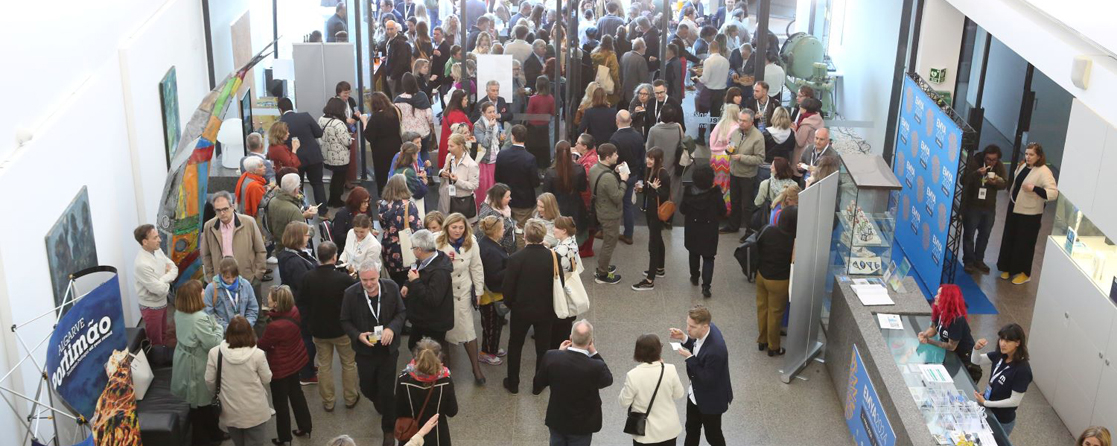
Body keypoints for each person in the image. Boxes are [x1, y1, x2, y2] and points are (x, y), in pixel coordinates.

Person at [341, 260, 407, 446]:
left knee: (387, 390)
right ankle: (383, 403)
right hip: (365, 351)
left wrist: (392, 329)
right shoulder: (350, 294)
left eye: (372, 279)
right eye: (364, 280)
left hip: (388, 351)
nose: (369, 284)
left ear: (379, 275)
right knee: (366, 387)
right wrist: (357, 335)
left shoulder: (392, 287)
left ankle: (388, 429)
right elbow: (345, 320)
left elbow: (401, 312)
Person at [532, 320, 613, 446]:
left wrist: (558, 353)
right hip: (582, 425)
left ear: (570, 338)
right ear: (591, 341)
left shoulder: (552, 356)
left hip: (557, 419)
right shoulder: (596, 366)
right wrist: (595, 353)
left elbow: (539, 381)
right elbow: (608, 380)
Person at [502, 219, 560, 394]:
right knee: (543, 348)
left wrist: (512, 304)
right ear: (543, 235)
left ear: (525, 235)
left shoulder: (515, 259)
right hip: (546, 310)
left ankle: (513, 383)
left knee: (515, 345)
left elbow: (508, 289)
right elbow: (560, 283)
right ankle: (539, 384)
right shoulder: (553, 256)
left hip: (521, 310)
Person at [301, 241, 360, 412]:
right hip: (341, 330)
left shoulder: (308, 277)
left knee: (324, 365)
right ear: (335, 257)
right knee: (348, 363)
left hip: (319, 331)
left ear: (319, 257)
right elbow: (354, 300)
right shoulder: (343, 279)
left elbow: (302, 302)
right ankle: (350, 398)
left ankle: (328, 401)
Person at [171, 280, 225, 446]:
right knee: (203, 402)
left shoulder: (179, 312)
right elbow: (214, 342)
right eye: (201, 290)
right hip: (197, 365)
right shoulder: (199, 319)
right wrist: (218, 326)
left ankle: (212, 434)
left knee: (196, 403)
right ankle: (206, 438)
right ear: (194, 297)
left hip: (183, 360)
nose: (204, 291)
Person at [668, 305, 732, 446]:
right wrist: (684, 338)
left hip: (711, 401)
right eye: (687, 324)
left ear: (704, 327)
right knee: (691, 429)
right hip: (695, 394)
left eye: (692, 327)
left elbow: (707, 379)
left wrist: (690, 358)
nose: (687, 329)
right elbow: (698, 346)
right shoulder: (705, 330)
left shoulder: (716, 350)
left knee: (713, 435)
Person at [435, 213, 487, 383]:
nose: (457, 231)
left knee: (468, 329)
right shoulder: (437, 241)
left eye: (461, 227)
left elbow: (477, 266)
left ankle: (476, 369)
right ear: (447, 227)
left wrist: (479, 291)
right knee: (445, 329)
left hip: (463, 289)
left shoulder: (471, 241)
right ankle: (446, 370)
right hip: (444, 290)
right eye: (454, 227)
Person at [256, 286, 312, 445]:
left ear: (276, 304)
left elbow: (262, 344)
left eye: (270, 299)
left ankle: (284, 437)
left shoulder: (275, 326)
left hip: (280, 367)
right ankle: (305, 426)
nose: (268, 300)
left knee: (281, 404)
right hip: (295, 361)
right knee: (297, 395)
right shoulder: (294, 311)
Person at [205, 316, 272, 446]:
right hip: (255, 411)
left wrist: (217, 394)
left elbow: (209, 380)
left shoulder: (215, 353)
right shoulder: (258, 354)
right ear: (249, 332)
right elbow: (267, 378)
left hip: (229, 410)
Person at [997, 143, 1058, 285]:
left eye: (1031, 155)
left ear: (1039, 156)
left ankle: (1024, 272)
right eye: (1026, 154)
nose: (1028, 157)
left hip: (1030, 214)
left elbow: (1053, 193)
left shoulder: (1044, 172)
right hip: (1015, 207)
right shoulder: (1024, 165)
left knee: (1024, 243)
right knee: (1009, 238)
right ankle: (1007, 267)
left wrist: (1034, 188)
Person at [619, 334, 685, 445]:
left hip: (645, 433)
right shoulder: (670, 369)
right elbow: (679, 394)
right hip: (668, 430)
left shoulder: (633, 375)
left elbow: (624, 402)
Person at [275, 220, 320, 384]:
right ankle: (306, 374)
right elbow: (304, 285)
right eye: (306, 234)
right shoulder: (295, 262)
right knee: (307, 340)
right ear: (297, 237)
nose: (308, 237)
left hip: (300, 304)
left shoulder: (289, 254)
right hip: (304, 307)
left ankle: (307, 367)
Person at [201, 191, 267, 298]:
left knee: (252, 312)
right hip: (221, 282)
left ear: (232, 207)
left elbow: (260, 250)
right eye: (218, 210)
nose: (222, 213)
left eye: (225, 209)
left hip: (247, 279)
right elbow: (206, 254)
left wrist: (257, 275)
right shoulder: (209, 226)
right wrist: (211, 277)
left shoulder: (248, 222)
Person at [971, 323, 1032, 437]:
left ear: (1018, 343)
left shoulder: (1023, 370)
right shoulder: (1000, 355)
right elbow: (977, 360)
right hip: (988, 411)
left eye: (1008, 341)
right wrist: (976, 348)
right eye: (1001, 339)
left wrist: (986, 402)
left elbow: (1014, 401)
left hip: (1002, 420)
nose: (1002, 344)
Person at [396, 338, 459, 446]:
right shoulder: (445, 380)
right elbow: (452, 411)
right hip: (438, 436)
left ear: (416, 356)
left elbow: (399, 410)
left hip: (411, 435)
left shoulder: (404, 380)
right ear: (439, 357)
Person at [754, 206, 796, 356]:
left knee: (762, 308)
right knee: (775, 313)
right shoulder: (794, 240)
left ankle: (762, 340)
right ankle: (773, 346)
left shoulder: (768, 230)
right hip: (779, 281)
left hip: (761, 276)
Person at [404, 229, 455, 354]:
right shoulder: (426, 260)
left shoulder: (440, 272)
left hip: (433, 324)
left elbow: (433, 300)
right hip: (422, 319)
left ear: (419, 250)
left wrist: (415, 282)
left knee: (431, 357)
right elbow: (416, 272)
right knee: (413, 345)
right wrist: (407, 284)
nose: (413, 251)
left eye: (412, 248)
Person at [961, 145, 1008, 274]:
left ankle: (979, 259)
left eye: (994, 160)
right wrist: (977, 174)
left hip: (989, 208)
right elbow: (963, 180)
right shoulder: (974, 162)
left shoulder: (999, 166)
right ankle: (968, 261)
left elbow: (1005, 184)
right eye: (988, 159)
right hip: (972, 207)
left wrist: (995, 182)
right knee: (969, 235)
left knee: (984, 235)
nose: (991, 162)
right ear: (984, 156)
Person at [682, 166, 727, 298]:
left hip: (692, 228)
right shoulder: (715, 193)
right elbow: (723, 211)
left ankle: (694, 277)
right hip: (709, 229)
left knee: (693, 252)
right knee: (709, 257)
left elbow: (682, 210)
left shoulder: (689, 191)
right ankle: (706, 286)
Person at [278, 97, 327, 216]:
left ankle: (300, 212)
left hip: (295, 160)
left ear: (280, 110)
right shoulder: (305, 116)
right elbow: (319, 133)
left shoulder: (280, 123)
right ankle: (323, 213)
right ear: (292, 106)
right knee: (318, 184)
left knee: (297, 187)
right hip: (313, 157)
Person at [917, 284, 978, 379]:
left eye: (940, 295)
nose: (935, 297)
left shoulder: (957, 320)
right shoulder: (939, 309)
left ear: (948, 299)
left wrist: (928, 341)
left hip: (964, 359)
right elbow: (934, 328)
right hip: (949, 355)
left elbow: (951, 346)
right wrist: (925, 335)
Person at [720, 108, 765, 237]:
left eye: (744, 121)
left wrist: (742, 157)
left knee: (746, 205)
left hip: (747, 176)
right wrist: (728, 150)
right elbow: (731, 146)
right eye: (739, 120)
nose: (740, 123)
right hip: (734, 172)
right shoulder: (736, 132)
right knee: (734, 201)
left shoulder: (758, 137)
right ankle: (733, 226)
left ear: (751, 122)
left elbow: (760, 158)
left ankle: (749, 231)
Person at [632, 148, 672, 291]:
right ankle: (660, 268)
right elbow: (650, 191)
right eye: (647, 157)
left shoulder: (662, 174)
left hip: (656, 213)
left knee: (653, 243)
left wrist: (655, 189)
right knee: (657, 238)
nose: (648, 160)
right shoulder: (650, 170)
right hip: (650, 211)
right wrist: (642, 189)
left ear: (658, 160)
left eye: (652, 158)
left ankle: (650, 279)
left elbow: (664, 195)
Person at [589, 143, 629, 284]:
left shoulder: (595, 168)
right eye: (615, 154)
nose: (617, 156)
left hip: (600, 209)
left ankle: (603, 265)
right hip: (610, 214)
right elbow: (617, 196)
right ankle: (602, 273)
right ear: (607, 157)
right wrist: (623, 181)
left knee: (607, 240)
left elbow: (604, 184)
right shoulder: (608, 178)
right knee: (609, 243)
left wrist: (615, 172)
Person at [133, 224, 178, 346]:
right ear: (145, 242)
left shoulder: (157, 251)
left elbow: (174, 268)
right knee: (155, 341)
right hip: (151, 308)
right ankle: (157, 362)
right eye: (155, 237)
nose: (160, 240)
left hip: (162, 303)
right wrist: (167, 279)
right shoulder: (142, 264)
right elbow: (160, 290)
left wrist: (162, 279)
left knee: (164, 334)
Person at [379, 174, 424, 286]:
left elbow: (383, 225)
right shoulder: (409, 205)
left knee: (395, 284)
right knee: (408, 284)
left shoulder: (382, 206)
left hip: (388, 249)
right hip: (405, 250)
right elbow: (417, 228)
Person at [476, 216, 509, 365]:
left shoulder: (486, 243)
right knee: (491, 326)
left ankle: (492, 348)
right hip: (492, 296)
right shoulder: (491, 251)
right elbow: (494, 277)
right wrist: (511, 267)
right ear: (496, 231)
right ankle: (486, 352)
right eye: (502, 228)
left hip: (489, 295)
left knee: (493, 325)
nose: (504, 230)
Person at [493, 124, 540, 228]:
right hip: (524, 203)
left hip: (504, 200)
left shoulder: (502, 155)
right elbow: (535, 182)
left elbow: (497, 178)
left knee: (504, 229)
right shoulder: (530, 158)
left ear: (512, 136)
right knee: (522, 230)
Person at [610, 110, 646, 245]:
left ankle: (611, 232)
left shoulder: (614, 138)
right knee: (628, 206)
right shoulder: (638, 136)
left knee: (614, 205)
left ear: (616, 121)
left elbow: (613, 160)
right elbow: (642, 157)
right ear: (630, 121)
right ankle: (628, 234)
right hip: (633, 174)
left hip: (619, 176)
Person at [203, 257, 260, 331]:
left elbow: (253, 308)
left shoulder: (246, 285)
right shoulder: (211, 288)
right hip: (222, 333)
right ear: (220, 272)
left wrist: (246, 325)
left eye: (234, 277)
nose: (231, 281)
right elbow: (208, 313)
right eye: (227, 277)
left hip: (244, 331)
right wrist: (228, 328)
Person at [365, 92, 405, 193]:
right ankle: (397, 192)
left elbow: (369, 135)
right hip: (396, 144)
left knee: (382, 173)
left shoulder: (376, 117)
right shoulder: (395, 110)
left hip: (381, 149)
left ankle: (384, 196)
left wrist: (364, 121)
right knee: (395, 170)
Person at [543, 141, 588, 231]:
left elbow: (546, 193)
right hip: (576, 208)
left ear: (556, 152)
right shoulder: (579, 170)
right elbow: (583, 188)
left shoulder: (550, 172)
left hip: (557, 209)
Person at [318, 97, 354, 208]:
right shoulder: (338, 123)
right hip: (340, 157)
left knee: (335, 178)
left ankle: (332, 200)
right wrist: (350, 138)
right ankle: (336, 200)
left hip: (327, 154)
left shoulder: (321, 119)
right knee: (339, 179)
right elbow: (346, 141)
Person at [395, 73, 436, 168]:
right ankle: (428, 173)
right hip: (423, 132)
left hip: (407, 134)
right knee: (424, 151)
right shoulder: (422, 96)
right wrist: (431, 126)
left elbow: (396, 117)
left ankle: (414, 171)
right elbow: (429, 115)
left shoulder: (398, 100)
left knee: (410, 154)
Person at [268, 174, 318, 252]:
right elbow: (302, 235)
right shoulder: (294, 210)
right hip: (293, 250)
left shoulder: (273, 201)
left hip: (279, 246)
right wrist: (312, 229)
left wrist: (303, 215)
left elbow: (270, 225)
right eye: (299, 185)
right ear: (295, 190)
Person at [436, 134, 480, 223]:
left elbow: (474, 185)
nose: (448, 148)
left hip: (461, 203)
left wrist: (457, 181)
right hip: (446, 200)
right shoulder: (449, 157)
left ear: (460, 146)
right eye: (448, 145)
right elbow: (444, 170)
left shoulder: (472, 165)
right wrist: (441, 173)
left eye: (451, 146)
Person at [708, 104, 740, 214]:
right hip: (726, 159)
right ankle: (726, 209)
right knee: (726, 186)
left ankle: (714, 207)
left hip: (714, 158)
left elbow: (711, 139)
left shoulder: (719, 124)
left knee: (716, 183)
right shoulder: (736, 127)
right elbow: (732, 146)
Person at [473, 102, 507, 205]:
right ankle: (483, 211)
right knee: (484, 189)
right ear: (483, 113)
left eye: (494, 111)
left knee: (495, 188)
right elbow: (485, 143)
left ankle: (494, 209)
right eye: (489, 112)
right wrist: (490, 128)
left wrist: (501, 140)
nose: (493, 114)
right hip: (484, 161)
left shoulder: (496, 123)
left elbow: (497, 142)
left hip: (495, 160)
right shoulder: (478, 125)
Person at [574, 134, 600, 257]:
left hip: (587, 198)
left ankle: (588, 249)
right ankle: (584, 246)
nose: (575, 145)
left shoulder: (590, 161)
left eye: (578, 143)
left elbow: (587, 180)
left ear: (584, 146)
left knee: (589, 223)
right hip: (586, 197)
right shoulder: (588, 157)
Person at [477, 183, 517, 253]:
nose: (510, 198)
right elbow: (484, 236)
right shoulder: (489, 214)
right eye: (507, 197)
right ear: (499, 199)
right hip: (496, 253)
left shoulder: (503, 209)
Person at [526, 76, 556, 169]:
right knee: (543, 149)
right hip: (544, 128)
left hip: (533, 128)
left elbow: (529, 114)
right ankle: (543, 168)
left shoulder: (533, 99)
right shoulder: (551, 98)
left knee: (533, 148)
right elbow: (553, 112)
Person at [439, 90, 473, 169]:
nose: (467, 101)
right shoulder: (458, 115)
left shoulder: (449, 111)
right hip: (455, 147)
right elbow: (463, 130)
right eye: (465, 99)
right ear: (459, 101)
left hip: (447, 143)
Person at [792, 97, 824, 181]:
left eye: (801, 107)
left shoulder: (806, 125)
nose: (799, 108)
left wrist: (794, 130)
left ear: (806, 110)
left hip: (802, 155)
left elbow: (800, 142)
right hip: (813, 154)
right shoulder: (818, 119)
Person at [394, 142, 430, 216]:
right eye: (417, 153)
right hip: (409, 208)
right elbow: (419, 192)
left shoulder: (398, 168)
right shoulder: (409, 172)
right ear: (413, 155)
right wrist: (425, 182)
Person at [697, 41, 729, 118]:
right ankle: (713, 130)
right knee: (715, 116)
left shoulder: (708, 61)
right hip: (721, 91)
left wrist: (697, 79)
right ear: (718, 49)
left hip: (709, 91)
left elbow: (705, 78)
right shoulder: (726, 61)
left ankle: (702, 130)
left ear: (709, 49)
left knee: (702, 115)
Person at [382, 20, 412, 97]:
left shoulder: (400, 42)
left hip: (398, 77)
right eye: (387, 29)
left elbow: (401, 62)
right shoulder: (390, 40)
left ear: (396, 29)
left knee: (397, 98)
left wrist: (392, 76)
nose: (389, 31)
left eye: (391, 29)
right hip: (392, 74)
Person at [591, 35, 622, 106]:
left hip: (595, 85)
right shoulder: (611, 56)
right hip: (608, 90)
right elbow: (614, 74)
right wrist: (618, 87)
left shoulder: (593, 54)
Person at [621, 38, 652, 106]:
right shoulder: (641, 60)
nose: (646, 48)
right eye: (645, 46)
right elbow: (644, 80)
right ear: (640, 47)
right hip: (635, 95)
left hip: (623, 93)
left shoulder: (625, 55)